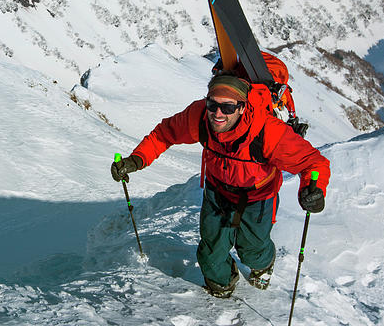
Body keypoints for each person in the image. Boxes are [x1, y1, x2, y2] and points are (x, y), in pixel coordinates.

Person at [111, 73, 330, 297]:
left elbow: (313, 163)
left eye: (227, 108)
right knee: (211, 251)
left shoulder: (268, 131)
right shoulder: (199, 117)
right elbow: (165, 133)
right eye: (212, 104)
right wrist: (137, 160)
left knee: (252, 250)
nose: (217, 113)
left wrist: (314, 189)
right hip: (218, 191)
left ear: (242, 108)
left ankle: (262, 266)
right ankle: (221, 284)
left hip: (258, 197)